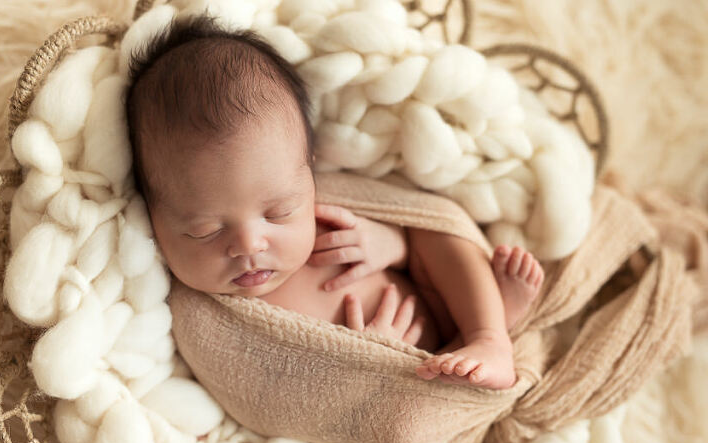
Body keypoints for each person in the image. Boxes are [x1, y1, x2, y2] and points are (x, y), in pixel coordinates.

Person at [125, 14, 544, 390]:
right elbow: (270, 398)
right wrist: (371, 365)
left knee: (439, 237)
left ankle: (487, 332)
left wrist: (396, 242)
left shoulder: (329, 207)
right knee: (419, 410)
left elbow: (430, 215)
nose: (250, 245)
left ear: (308, 172)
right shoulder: (204, 321)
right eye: (206, 230)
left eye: (279, 212)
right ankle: (495, 323)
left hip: (436, 298)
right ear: (153, 217)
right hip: (403, 380)